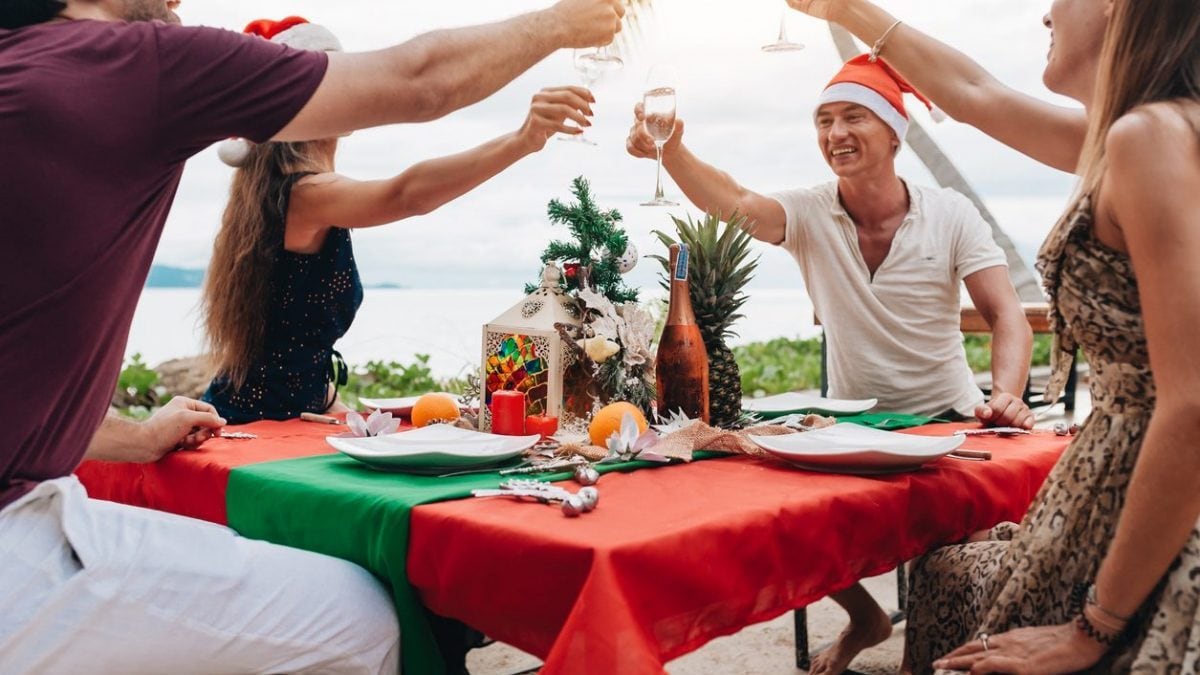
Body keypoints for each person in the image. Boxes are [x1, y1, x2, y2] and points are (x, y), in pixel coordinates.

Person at [0, 0, 623, 671]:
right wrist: (564, 25)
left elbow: (23, 394)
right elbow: (419, 88)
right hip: (37, 534)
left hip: (118, 471)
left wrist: (138, 433)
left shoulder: (26, 76)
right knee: (364, 619)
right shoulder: (139, 67)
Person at [786, 0, 1200, 672]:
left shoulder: (1146, 137)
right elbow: (975, 94)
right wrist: (846, 10)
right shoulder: (1134, 132)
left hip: (1148, 511)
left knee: (953, 599)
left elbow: (1192, 404)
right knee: (947, 575)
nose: (1046, 14)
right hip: (1104, 488)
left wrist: (1093, 628)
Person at [626, 55, 1035, 674]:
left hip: (951, 422)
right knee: (774, 516)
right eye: (823, 121)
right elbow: (736, 201)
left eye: (852, 118)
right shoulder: (811, 212)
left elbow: (1007, 315)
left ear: (894, 133)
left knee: (957, 583)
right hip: (855, 427)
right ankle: (866, 618)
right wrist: (673, 150)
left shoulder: (950, 213)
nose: (834, 134)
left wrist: (1006, 392)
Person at [199, 17, 597, 424]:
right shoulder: (304, 195)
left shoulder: (279, 195)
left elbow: (290, 356)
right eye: (334, 83)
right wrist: (522, 140)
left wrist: (349, 415)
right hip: (254, 426)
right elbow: (406, 195)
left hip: (285, 414)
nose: (351, 93)